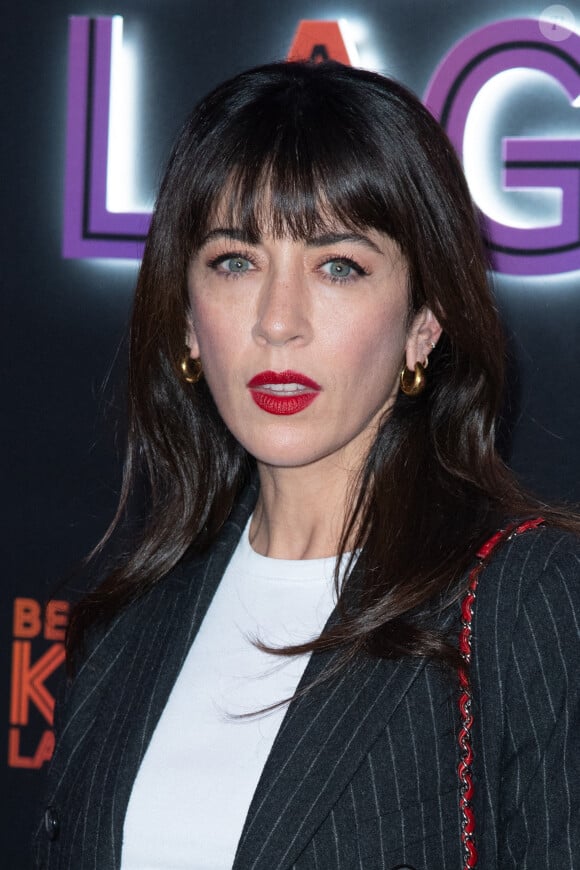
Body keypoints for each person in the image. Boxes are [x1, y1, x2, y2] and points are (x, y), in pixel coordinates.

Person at [34, 60, 580, 870]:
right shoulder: (130, 620)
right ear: (187, 320)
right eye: (234, 261)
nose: (277, 323)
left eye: (338, 266)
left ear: (424, 324)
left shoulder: (523, 598)